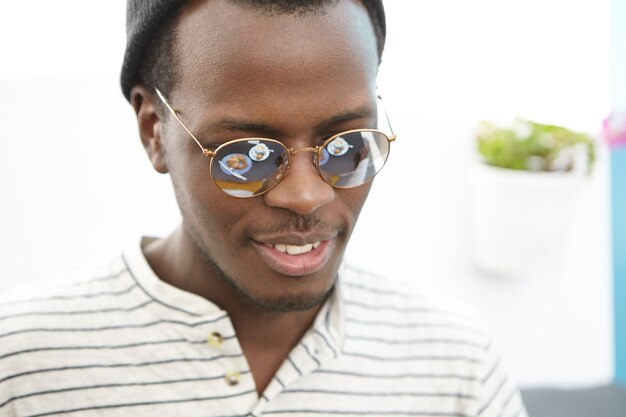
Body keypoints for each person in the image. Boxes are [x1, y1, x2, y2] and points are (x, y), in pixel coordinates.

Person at [0, 1, 528, 416]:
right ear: (154, 133)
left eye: (346, 145)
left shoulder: (456, 366)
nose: (306, 195)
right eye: (248, 155)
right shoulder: (21, 366)